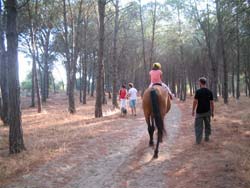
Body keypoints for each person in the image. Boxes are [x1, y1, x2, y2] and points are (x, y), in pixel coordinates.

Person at [192, 77, 214, 144]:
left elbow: (195, 102)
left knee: (198, 126)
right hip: (207, 112)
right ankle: (207, 137)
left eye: (199, 82)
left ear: (200, 83)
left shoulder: (198, 92)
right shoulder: (209, 92)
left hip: (199, 112)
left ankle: (198, 140)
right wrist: (212, 111)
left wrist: (193, 110)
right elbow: (212, 103)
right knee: (207, 125)